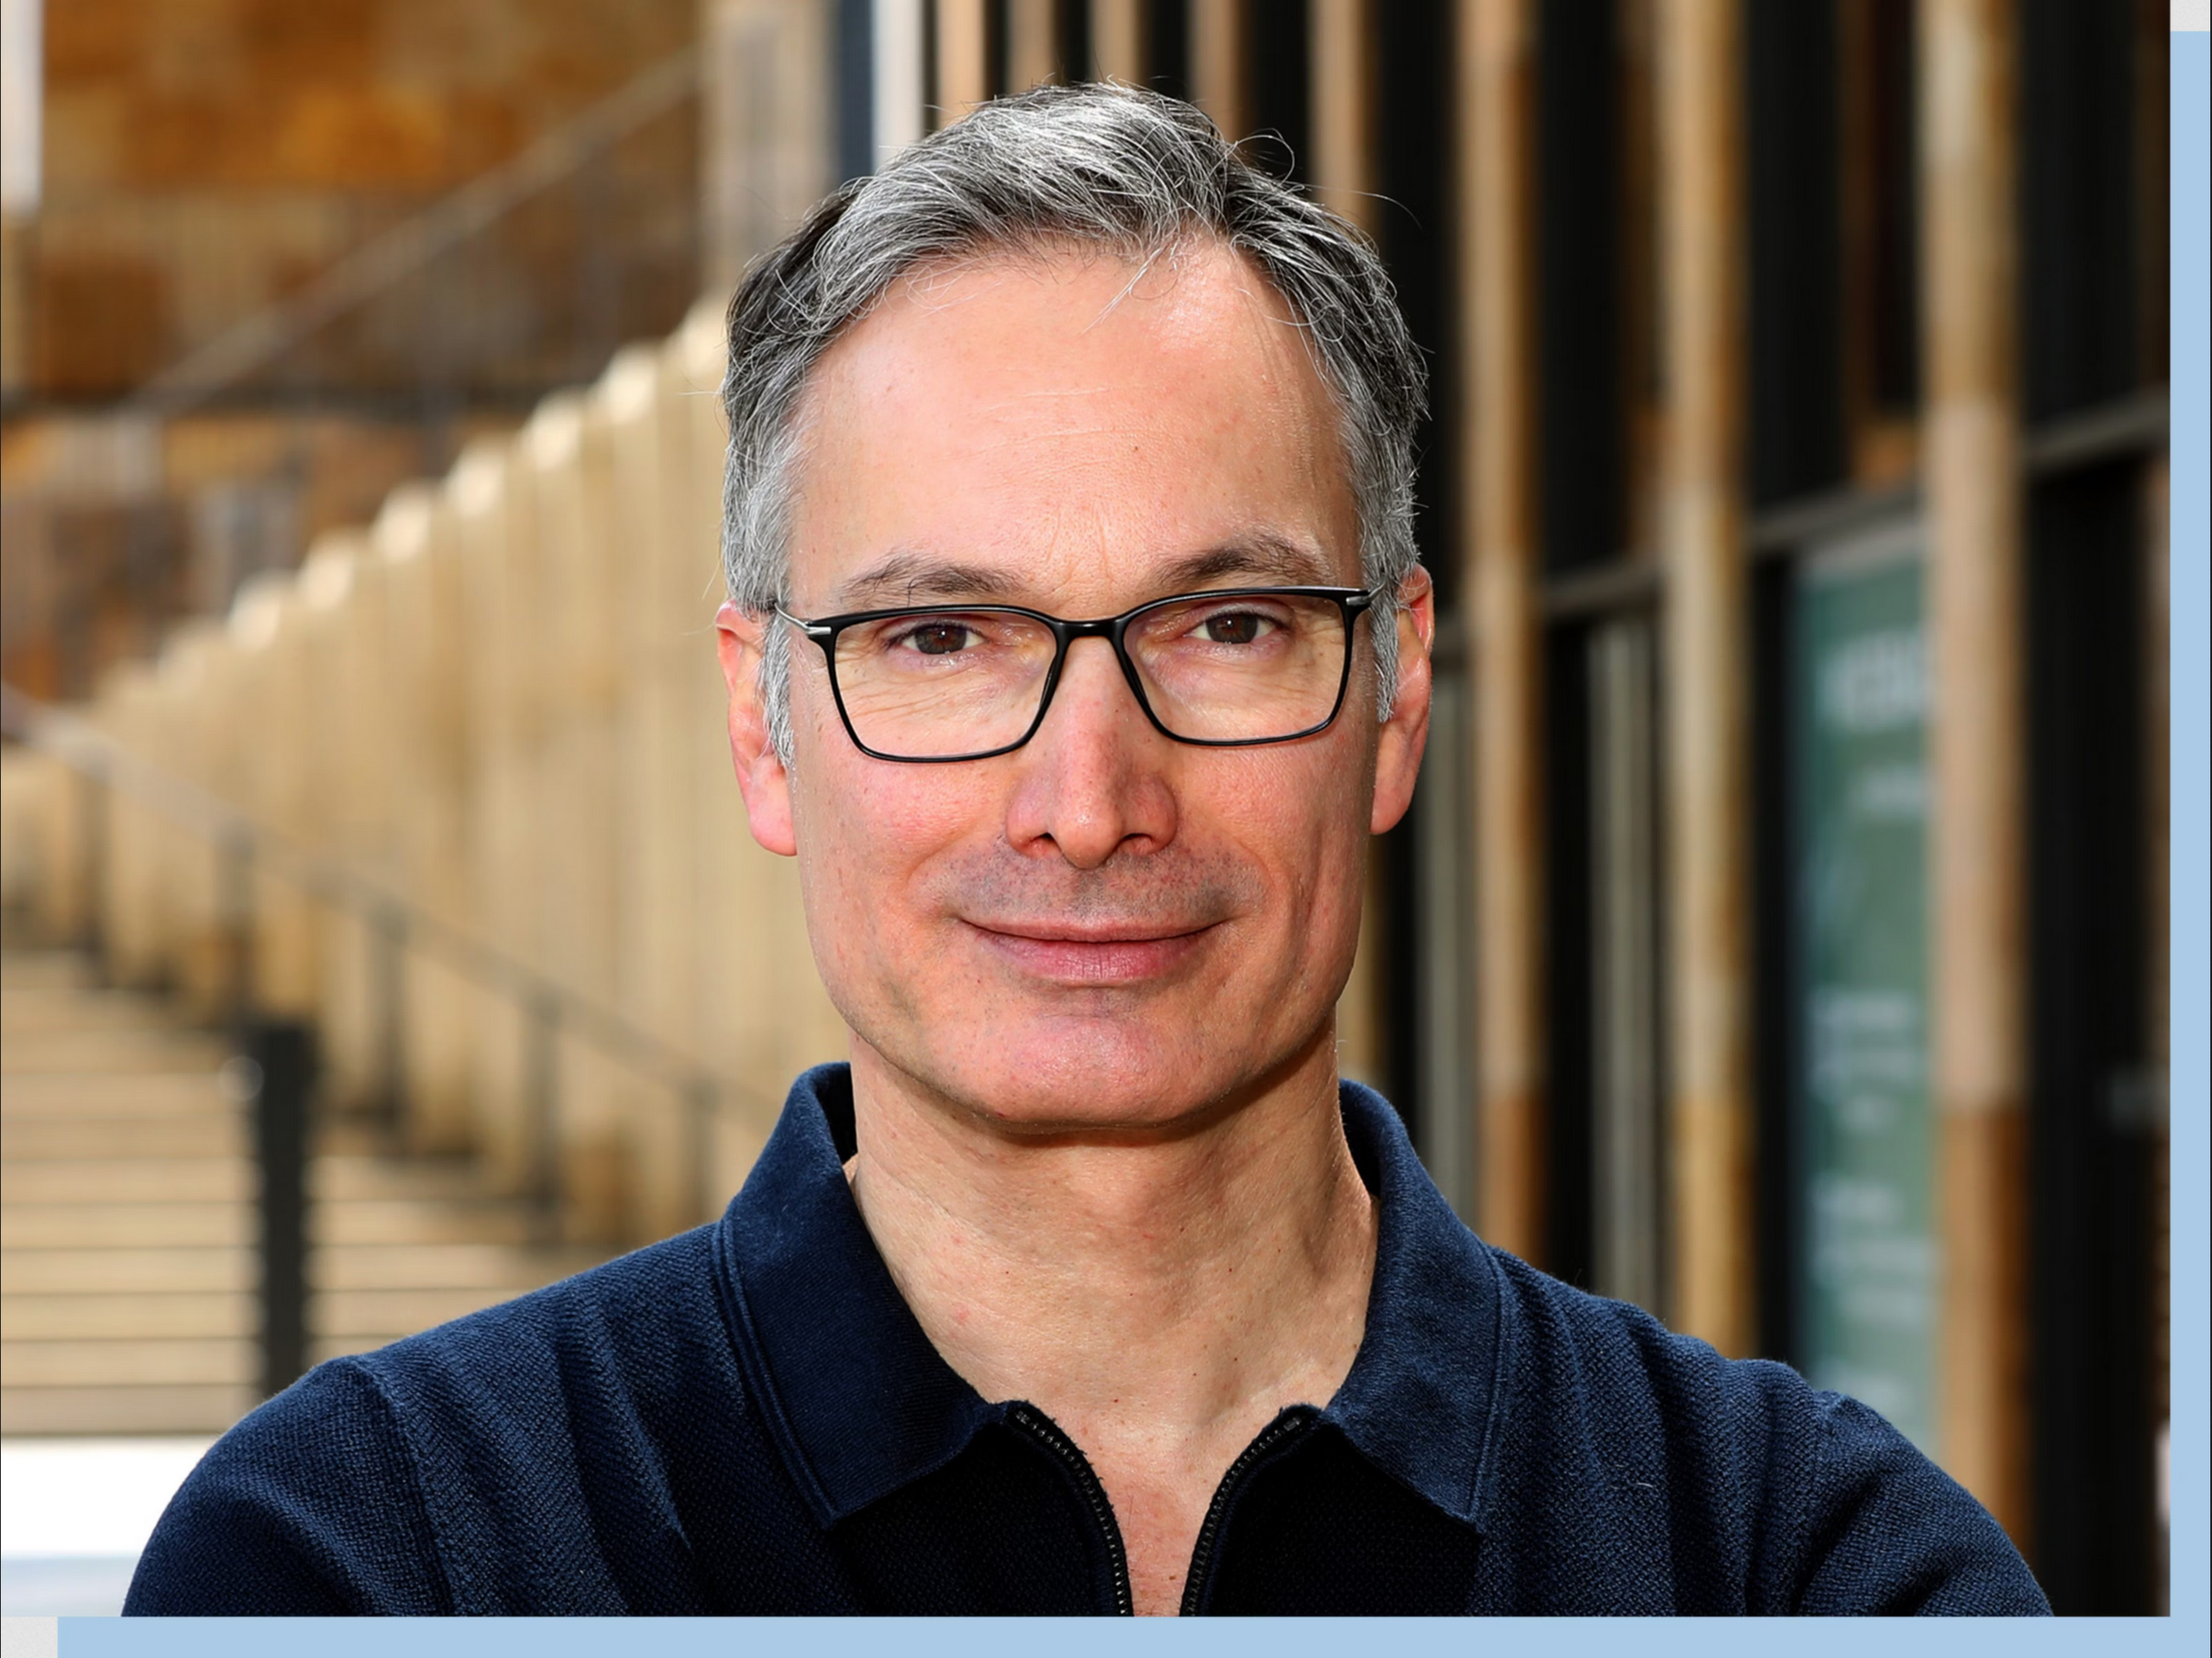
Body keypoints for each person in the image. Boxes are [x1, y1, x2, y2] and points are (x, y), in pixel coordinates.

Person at [125, 83, 2046, 1617]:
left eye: (1227, 627)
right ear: (763, 723)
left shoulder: (1810, 1573)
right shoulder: (374, 1564)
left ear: (1394, 694)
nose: (1090, 799)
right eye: (941, 640)